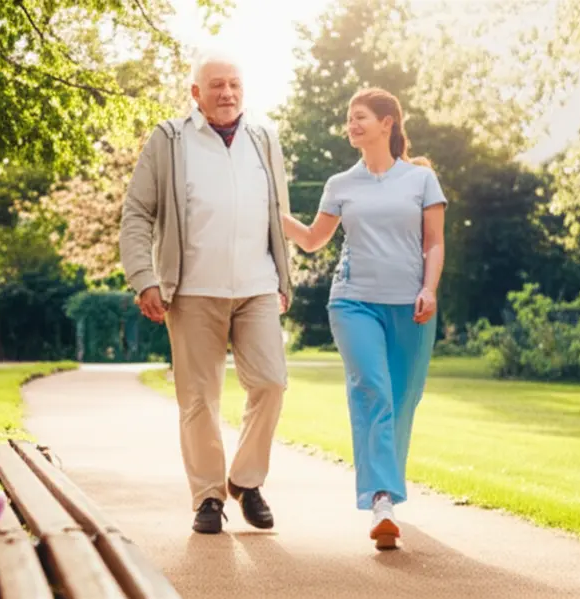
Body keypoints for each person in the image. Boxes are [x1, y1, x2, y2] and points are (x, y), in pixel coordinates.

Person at [118, 48, 293, 534]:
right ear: (195, 92)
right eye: (215, 84)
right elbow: (136, 214)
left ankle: (246, 479)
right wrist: (144, 277)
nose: (226, 93)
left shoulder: (264, 139)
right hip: (192, 290)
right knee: (198, 398)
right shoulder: (170, 140)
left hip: (257, 286)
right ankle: (209, 497)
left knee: (272, 383)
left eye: (234, 84)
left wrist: (283, 277)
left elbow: (275, 212)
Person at [281, 87, 447, 550]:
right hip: (353, 302)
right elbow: (314, 240)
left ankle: (385, 493)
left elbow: (433, 242)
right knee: (373, 390)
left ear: (387, 123)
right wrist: (273, 217)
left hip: (411, 307)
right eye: (349, 118)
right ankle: (381, 500)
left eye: (360, 117)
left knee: (404, 399)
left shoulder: (420, 180)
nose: (351, 125)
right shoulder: (340, 184)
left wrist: (429, 287)